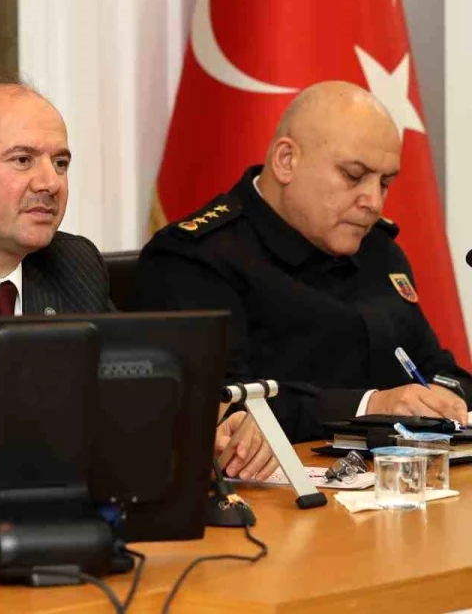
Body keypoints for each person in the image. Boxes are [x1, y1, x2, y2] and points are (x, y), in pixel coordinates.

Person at [0, 78, 277, 479]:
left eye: (60, 163)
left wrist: (201, 429)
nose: (51, 183)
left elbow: (128, 396)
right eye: (23, 160)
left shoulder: (73, 263)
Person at [138, 81, 472, 442]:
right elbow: (222, 410)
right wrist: (371, 407)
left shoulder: (379, 250)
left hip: (397, 473)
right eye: (354, 176)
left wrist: (447, 399)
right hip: (284, 477)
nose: (374, 202)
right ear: (286, 161)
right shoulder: (196, 258)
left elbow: (437, 369)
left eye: (385, 182)